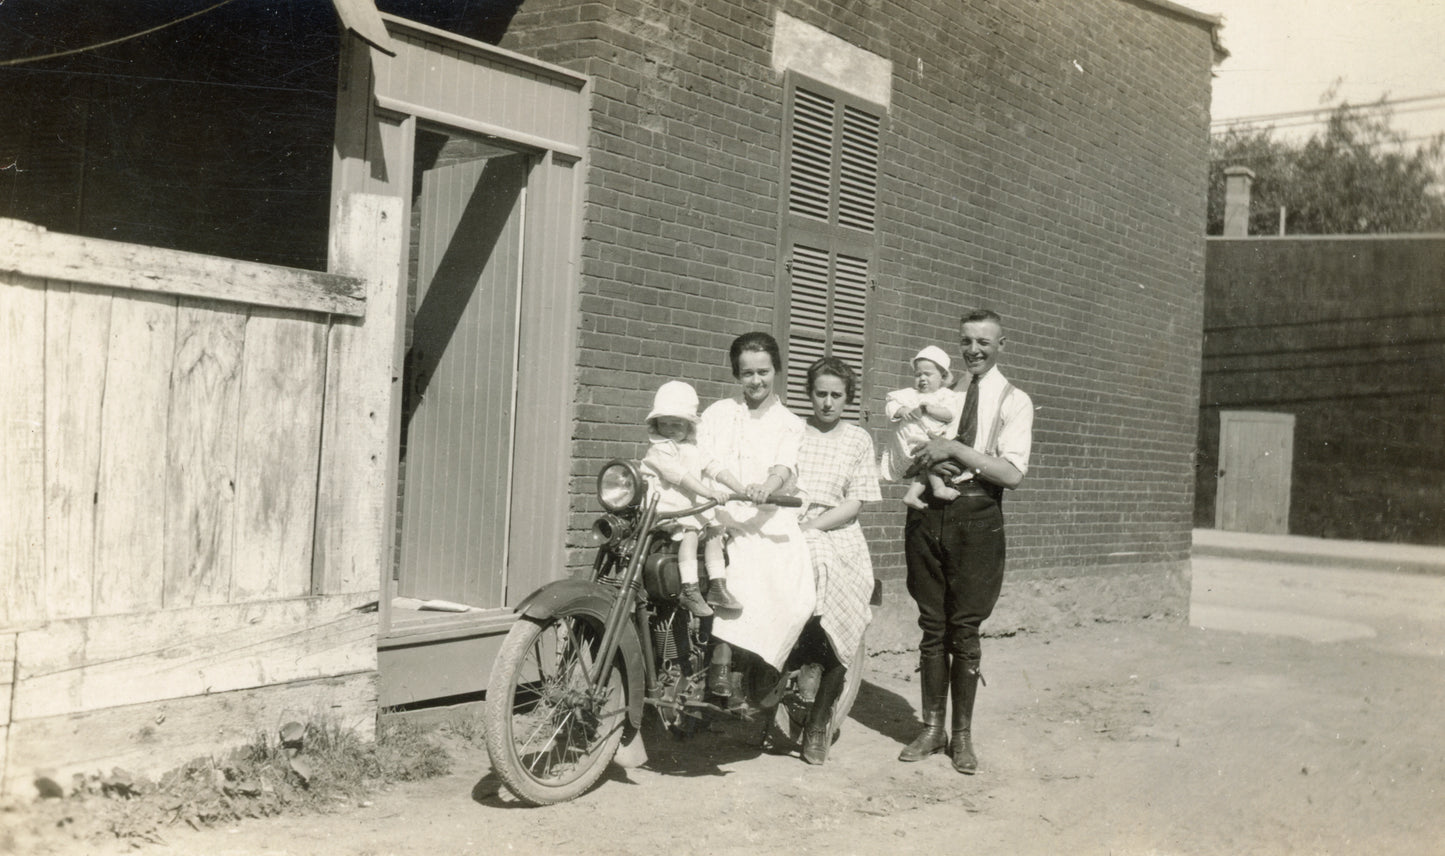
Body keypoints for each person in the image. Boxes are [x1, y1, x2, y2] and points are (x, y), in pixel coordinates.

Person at [898, 309, 1033, 775]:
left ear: (1001, 344)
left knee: (966, 629)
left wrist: (953, 449)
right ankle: (932, 728)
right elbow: (910, 449)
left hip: (978, 517)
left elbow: (1012, 474)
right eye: (966, 341)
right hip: (929, 515)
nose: (973, 350)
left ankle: (961, 737)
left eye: (983, 341)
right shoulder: (940, 393)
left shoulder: (1015, 400)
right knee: (932, 625)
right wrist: (925, 461)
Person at [696, 332, 814, 697]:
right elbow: (705, 456)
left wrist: (768, 485)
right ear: (737, 375)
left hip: (767, 518)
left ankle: (732, 660)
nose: (756, 381)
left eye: (763, 371)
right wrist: (735, 483)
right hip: (718, 509)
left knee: (780, 582)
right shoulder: (719, 413)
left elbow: (784, 464)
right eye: (747, 373)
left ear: (776, 370)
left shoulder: (790, 422)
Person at [792, 357, 882, 765]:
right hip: (790, 525)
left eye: (836, 395)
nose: (827, 403)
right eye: (820, 394)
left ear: (847, 398)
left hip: (837, 532)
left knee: (830, 576)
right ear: (809, 394)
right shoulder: (793, 433)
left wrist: (813, 525)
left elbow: (855, 503)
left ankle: (818, 720)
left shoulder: (858, 439)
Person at [638, 380, 737, 617]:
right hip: (667, 510)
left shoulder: (693, 447)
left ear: (689, 425)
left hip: (690, 508)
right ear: (656, 424)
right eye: (665, 423)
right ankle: (689, 589)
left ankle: (717, 584)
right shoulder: (659, 450)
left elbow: (714, 467)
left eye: (677, 424)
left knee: (715, 532)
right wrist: (709, 492)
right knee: (691, 534)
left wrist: (739, 488)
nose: (670, 429)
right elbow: (680, 476)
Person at [878, 345, 965, 510]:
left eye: (928, 374)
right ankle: (938, 488)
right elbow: (890, 406)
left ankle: (912, 494)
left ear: (943, 377)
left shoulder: (945, 395)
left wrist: (929, 408)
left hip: (929, 439)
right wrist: (902, 410)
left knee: (929, 460)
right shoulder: (910, 394)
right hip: (908, 441)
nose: (922, 378)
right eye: (918, 374)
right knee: (928, 458)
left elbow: (950, 414)